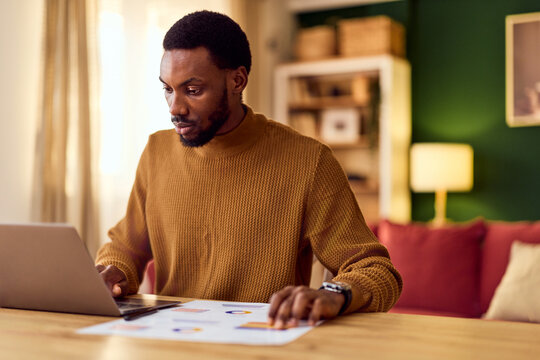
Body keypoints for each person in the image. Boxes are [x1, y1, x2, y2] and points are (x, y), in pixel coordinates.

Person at [96, 10, 402, 329]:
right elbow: (125, 247)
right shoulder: (156, 152)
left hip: (263, 341)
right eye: (168, 89)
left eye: (193, 90)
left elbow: (376, 271)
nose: (175, 108)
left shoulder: (308, 161)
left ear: (237, 80)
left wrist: (335, 293)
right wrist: (113, 270)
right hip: (171, 342)